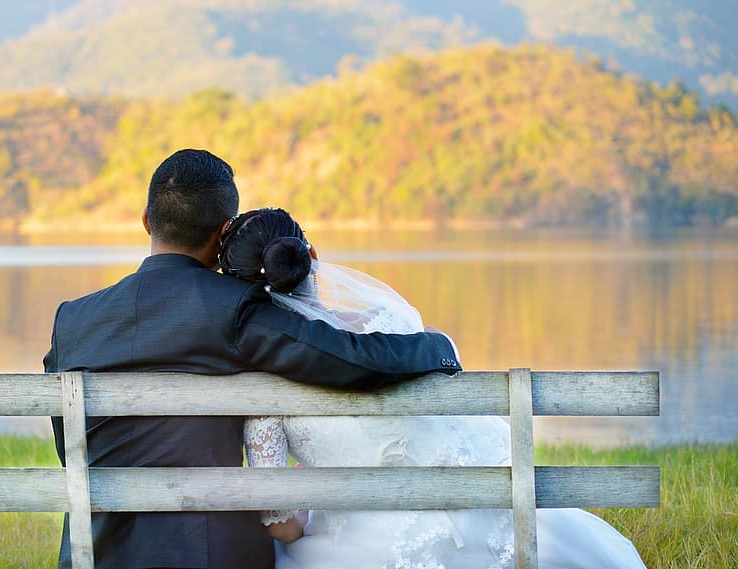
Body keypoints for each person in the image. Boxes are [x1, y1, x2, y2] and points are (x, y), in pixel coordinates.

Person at [42, 149, 461, 569]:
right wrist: (438, 348)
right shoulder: (233, 308)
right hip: (209, 554)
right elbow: (353, 361)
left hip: (94, 551)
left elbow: (71, 449)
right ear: (225, 232)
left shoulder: (72, 320)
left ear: (147, 221)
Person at [220, 207, 649, 569]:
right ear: (312, 256)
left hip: (365, 549)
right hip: (484, 514)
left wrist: (311, 506)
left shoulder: (263, 387)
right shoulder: (394, 324)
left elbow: (281, 524)